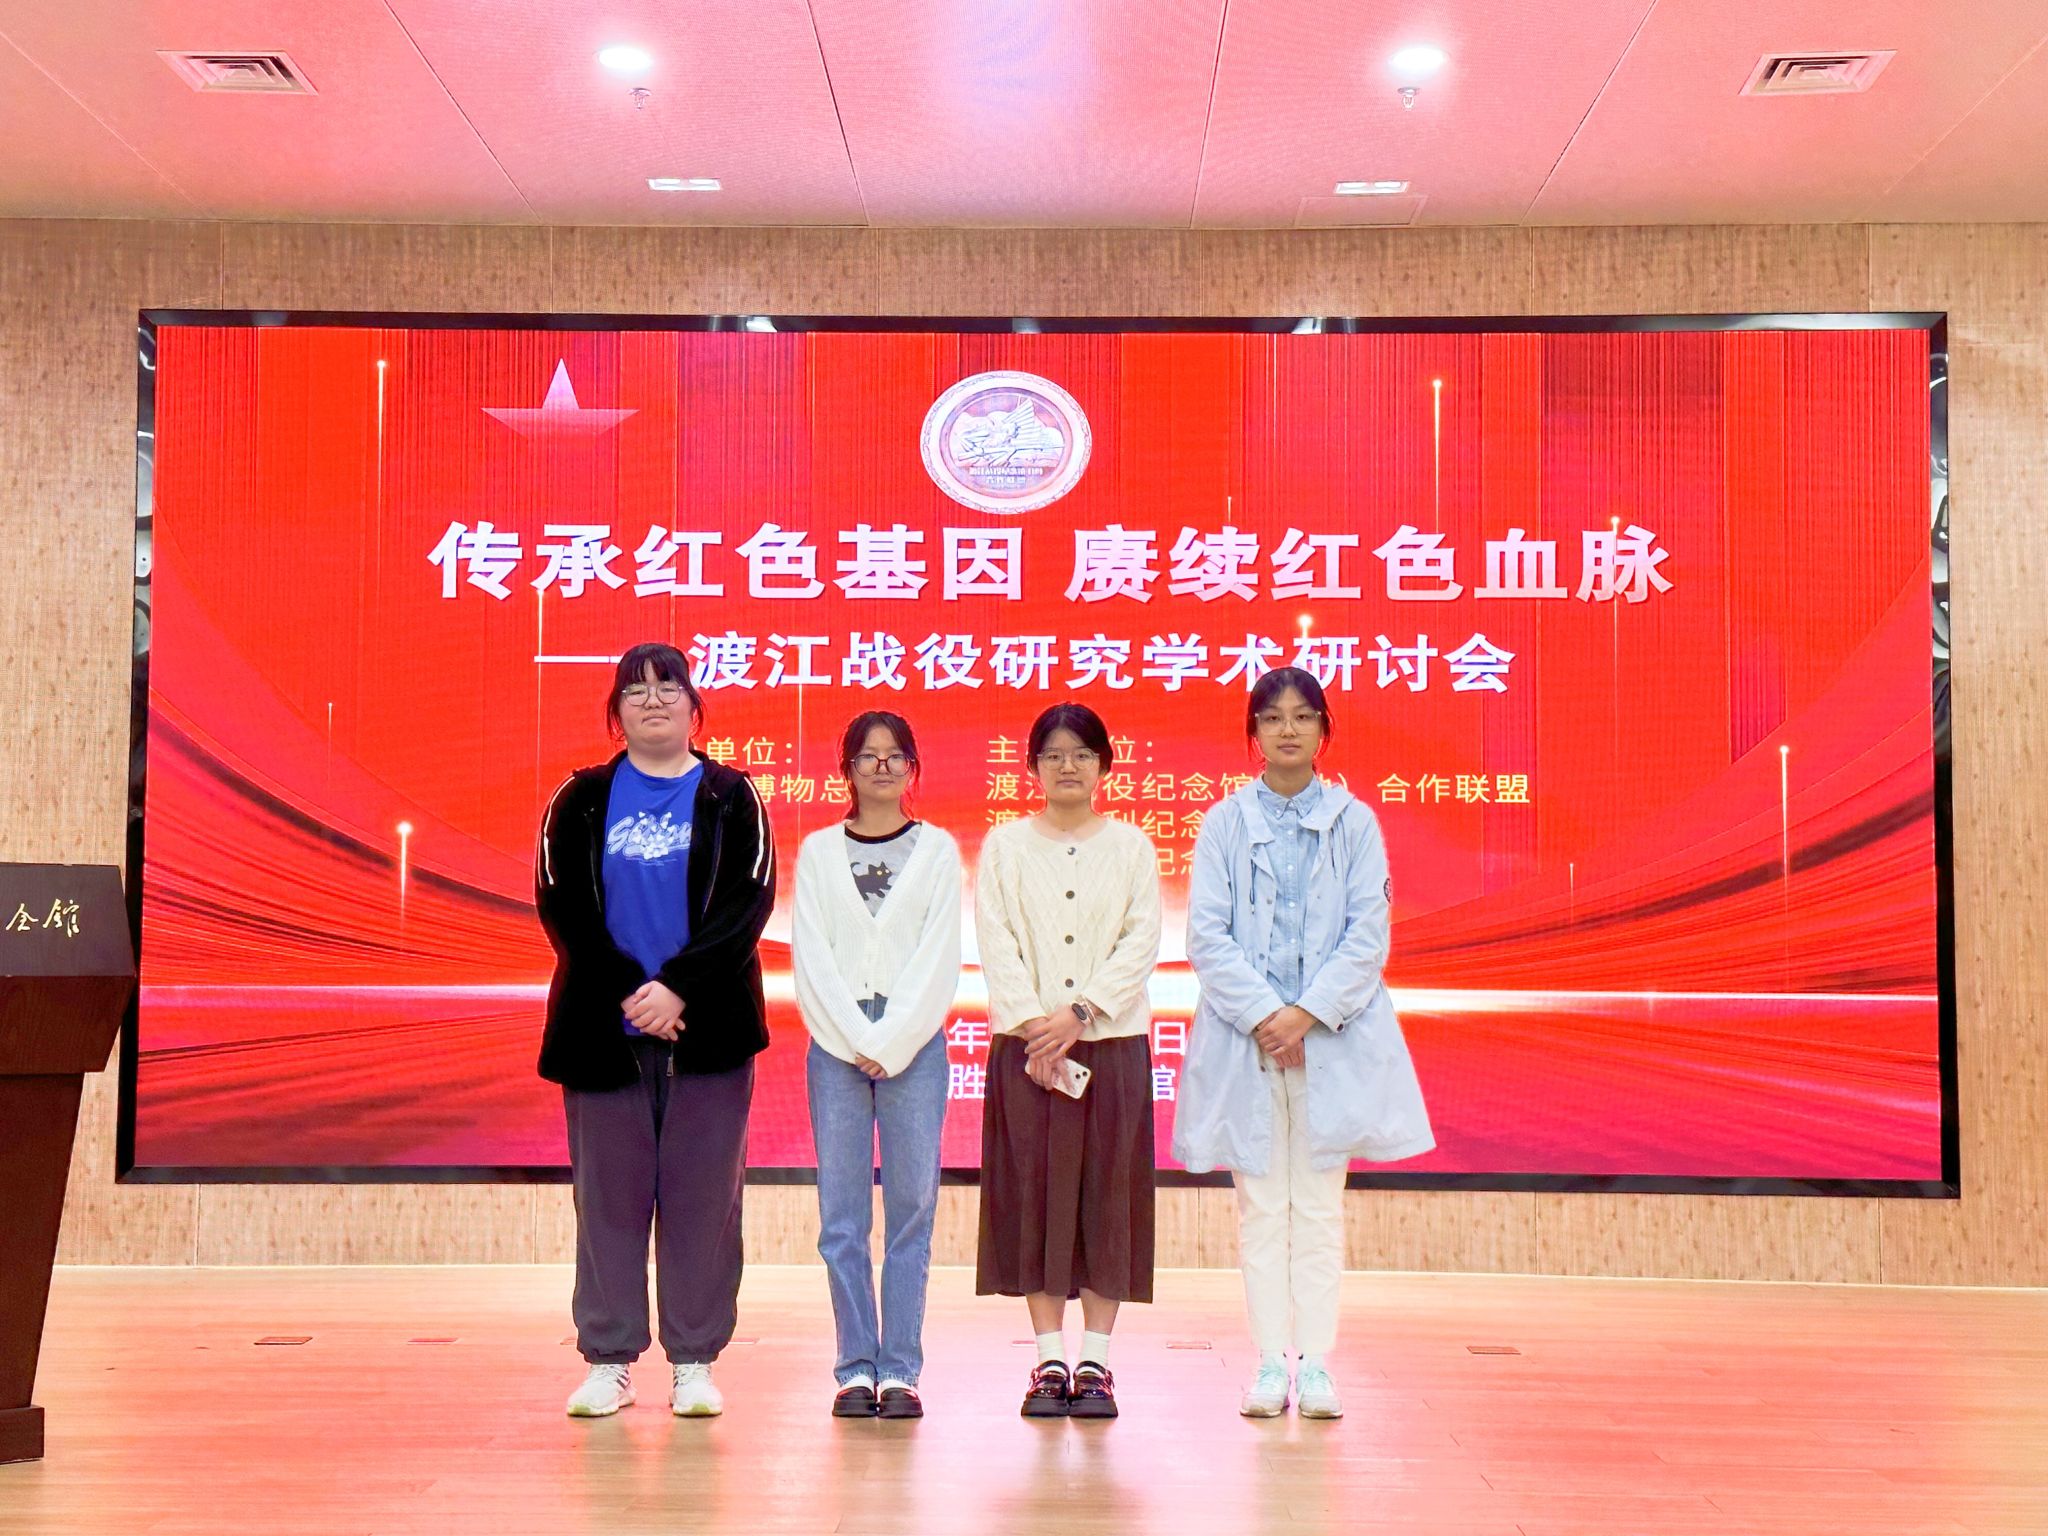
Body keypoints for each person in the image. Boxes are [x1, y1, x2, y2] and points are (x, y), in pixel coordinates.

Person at [1175, 666, 1434, 1421]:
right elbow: (1207, 935)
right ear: (1252, 732)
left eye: (1302, 716)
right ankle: (1267, 1362)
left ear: (1324, 729)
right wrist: (1267, 1015)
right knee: (1260, 1207)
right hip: (1247, 1042)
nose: (1287, 729)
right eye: (1272, 717)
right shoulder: (1224, 823)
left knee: (1318, 1208)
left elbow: (1366, 937)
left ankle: (1315, 1363)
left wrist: (1306, 1016)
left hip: (1331, 1040)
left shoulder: (1355, 822)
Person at [535, 641, 776, 1420]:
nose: (652, 700)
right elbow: (561, 905)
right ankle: (608, 1360)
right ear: (616, 711)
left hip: (708, 1034)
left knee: (704, 1203)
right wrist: (633, 994)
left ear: (694, 706)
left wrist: (677, 988)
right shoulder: (579, 799)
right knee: (608, 1202)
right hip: (601, 1033)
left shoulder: (733, 797)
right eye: (635, 690)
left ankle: (694, 1362)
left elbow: (749, 903)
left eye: (667, 686)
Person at [975, 702, 1162, 1420]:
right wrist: (1036, 1027)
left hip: (1111, 1046)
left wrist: (1080, 1013)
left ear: (1104, 764)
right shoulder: (1004, 845)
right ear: (1032, 767)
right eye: (1052, 755)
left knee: (1108, 1198)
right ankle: (1050, 1360)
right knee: (1035, 1197)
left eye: (1082, 754)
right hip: (1028, 1053)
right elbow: (995, 939)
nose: (1067, 766)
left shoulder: (1133, 846)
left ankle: (1098, 1363)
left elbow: (1142, 939)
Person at [793, 711, 963, 1420]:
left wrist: (892, 1041)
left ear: (913, 768)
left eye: (895, 756)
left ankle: (900, 1369)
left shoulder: (939, 850)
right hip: (835, 1048)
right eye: (868, 756)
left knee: (911, 1212)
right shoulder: (817, 852)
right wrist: (854, 1037)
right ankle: (855, 1367)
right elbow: (812, 956)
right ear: (848, 770)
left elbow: (939, 958)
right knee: (841, 1217)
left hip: (915, 1047)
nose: (882, 767)